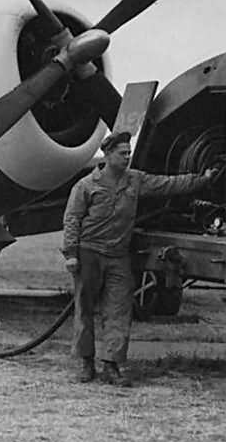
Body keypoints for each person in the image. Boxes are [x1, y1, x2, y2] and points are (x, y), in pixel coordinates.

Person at [62, 130, 218, 386]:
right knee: (85, 309)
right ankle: (85, 363)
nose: (127, 157)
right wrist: (70, 254)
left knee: (119, 310)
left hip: (117, 256)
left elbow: (168, 184)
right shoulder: (86, 186)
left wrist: (201, 180)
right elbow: (72, 220)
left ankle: (111, 365)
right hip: (89, 253)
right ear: (108, 155)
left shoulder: (135, 180)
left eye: (129, 153)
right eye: (122, 153)